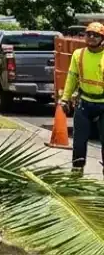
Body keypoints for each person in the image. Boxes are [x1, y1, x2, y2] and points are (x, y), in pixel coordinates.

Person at [59, 22, 104, 174]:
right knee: (79, 143)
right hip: (84, 104)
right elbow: (71, 77)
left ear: (102, 38)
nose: (91, 37)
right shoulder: (79, 54)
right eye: (89, 34)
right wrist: (65, 98)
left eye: (96, 35)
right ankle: (77, 175)